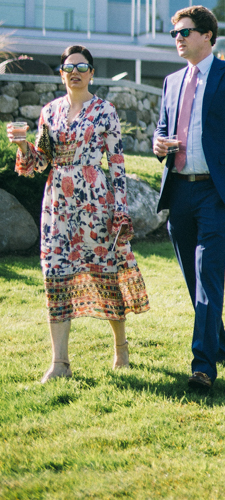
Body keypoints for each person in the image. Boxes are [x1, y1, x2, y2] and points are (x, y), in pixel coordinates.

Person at [10, 44, 149, 382]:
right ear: (61, 73)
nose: (75, 72)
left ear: (91, 73)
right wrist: (22, 146)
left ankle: (121, 347)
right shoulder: (49, 112)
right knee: (55, 273)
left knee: (106, 272)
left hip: (95, 202)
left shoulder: (106, 111)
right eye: (69, 67)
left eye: (82, 67)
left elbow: (116, 164)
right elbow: (39, 162)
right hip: (57, 203)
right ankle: (60, 363)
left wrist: (120, 210)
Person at [153, 5, 225, 393]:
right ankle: (221, 345)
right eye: (175, 34)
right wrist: (159, 144)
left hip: (217, 193)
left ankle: (203, 365)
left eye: (185, 32)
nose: (179, 39)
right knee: (192, 278)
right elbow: (162, 130)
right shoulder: (171, 81)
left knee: (207, 274)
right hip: (180, 189)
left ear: (207, 36)